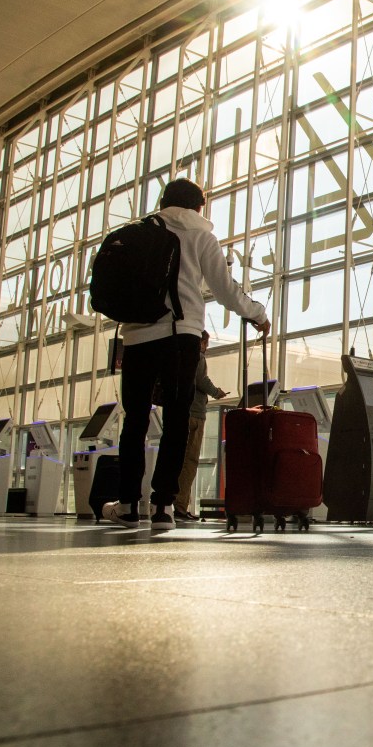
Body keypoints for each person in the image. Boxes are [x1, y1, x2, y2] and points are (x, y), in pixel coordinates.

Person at [103, 178, 269, 531]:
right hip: (181, 335)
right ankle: (163, 507)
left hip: (136, 336)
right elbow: (225, 288)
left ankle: (130, 504)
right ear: (198, 207)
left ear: (163, 201)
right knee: (177, 419)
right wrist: (256, 313)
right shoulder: (200, 235)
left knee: (134, 420)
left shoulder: (140, 232)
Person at [172, 329, 228, 522]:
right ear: (201, 342)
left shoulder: (178, 356)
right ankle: (180, 506)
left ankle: (172, 503)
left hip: (181, 411)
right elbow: (201, 380)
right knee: (190, 461)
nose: (207, 347)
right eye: (206, 343)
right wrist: (216, 392)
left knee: (178, 458)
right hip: (195, 414)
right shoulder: (198, 357)